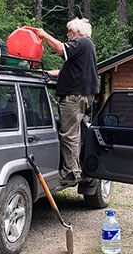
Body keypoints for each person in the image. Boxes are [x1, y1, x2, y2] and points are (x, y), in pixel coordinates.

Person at [36, 18, 98, 185]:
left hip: (74, 95)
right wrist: (42, 73)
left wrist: (44, 35)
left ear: (77, 32)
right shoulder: (86, 48)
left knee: (68, 134)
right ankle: (75, 169)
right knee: (74, 133)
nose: (67, 34)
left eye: (69, 31)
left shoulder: (81, 42)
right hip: (81, 95)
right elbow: (62, 71)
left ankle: (70, 172)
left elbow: (60, 49)